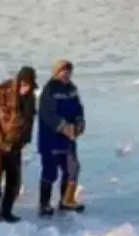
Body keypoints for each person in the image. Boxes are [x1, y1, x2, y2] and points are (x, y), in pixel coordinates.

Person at [0, 66, 37, 225]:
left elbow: (29, 122)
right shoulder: (1, 91)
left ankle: (6, 212)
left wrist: (23, 141)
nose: (25, 89)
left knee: (14, 182)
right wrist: (0, 140)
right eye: (23, 85)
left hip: (15, 145)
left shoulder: (30, 98)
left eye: (28, 86)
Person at [37, 59, 86, 217]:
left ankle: (66, 201)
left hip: (69, 139)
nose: (66, 74)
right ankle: (44, 204)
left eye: (69, 72)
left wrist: (79, 121)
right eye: (63, 71)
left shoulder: (72, 89)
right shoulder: (49, 90)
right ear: (57, 72)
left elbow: (78, 108)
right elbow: (47, 115)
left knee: (72, 169)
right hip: (50, 139)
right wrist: (64, 126)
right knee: (50, 172)